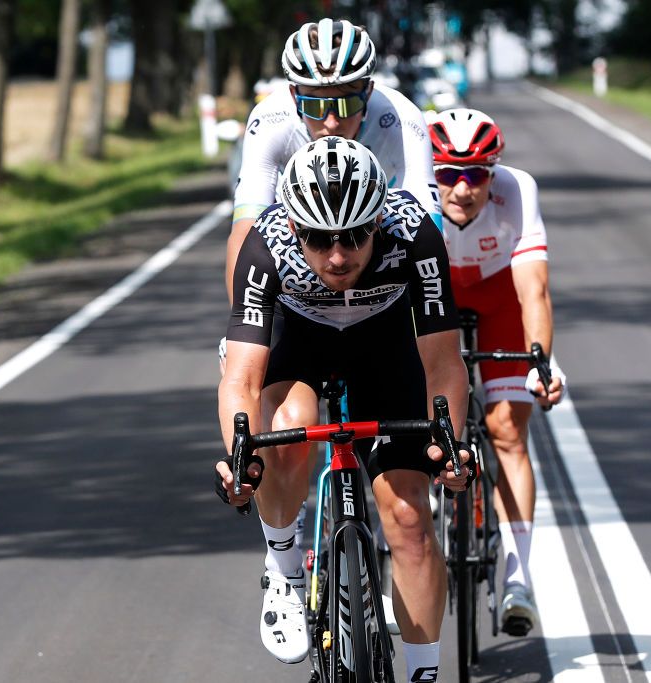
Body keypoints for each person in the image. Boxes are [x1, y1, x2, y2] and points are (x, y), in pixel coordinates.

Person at [215, 136, 471, 680]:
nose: (337, 256)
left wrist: (449, 442)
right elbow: (241, 374)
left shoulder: (414, 234)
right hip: (302, 343)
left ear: (379, 222)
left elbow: (443, 360)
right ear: (292, 228)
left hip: (385, 348)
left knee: (408, 521)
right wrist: (241, 461)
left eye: (355, 237)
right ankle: (284, 568)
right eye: (318, 239)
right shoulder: (266, 246)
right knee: (284, 431)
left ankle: (424, 674)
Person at [424, 108, 568, 636]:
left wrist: (539, 360)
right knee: (422, 421)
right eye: (448, 174)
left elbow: (534, 289)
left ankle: (518, 576)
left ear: (494, 172)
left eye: (476, 174)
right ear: (430, 169)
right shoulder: (410, 189)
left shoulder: (518, 191)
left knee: (508, 429)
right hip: (432, 296)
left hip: (498, 295)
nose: (462, 188)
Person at [225, 17, 443, 301]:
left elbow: (430, 229)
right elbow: (245, 233)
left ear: (368, 91)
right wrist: (238, 323)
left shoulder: (402, 118)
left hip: (379, 247)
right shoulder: (270, 120)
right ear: (294, 95)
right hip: (302, 251)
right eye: (314, 106)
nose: (331, 122)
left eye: (347, 104)